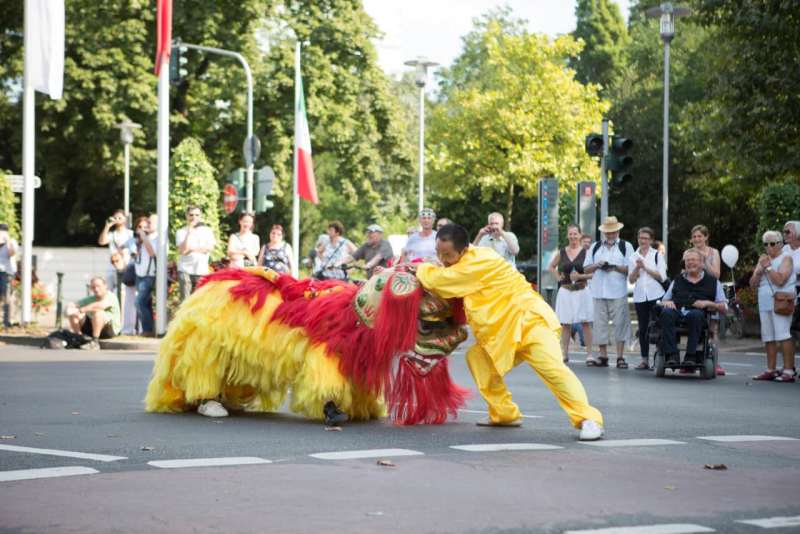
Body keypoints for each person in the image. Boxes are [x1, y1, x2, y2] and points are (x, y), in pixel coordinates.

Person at [415, 223, 605, 441]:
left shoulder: (475, 263)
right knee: (478, 359)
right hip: (504, 334)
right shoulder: (468, 260)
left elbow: (436, 280)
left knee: (554, 370)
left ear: (463, 249)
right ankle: (504, 413)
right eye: (438, 253)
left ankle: (589, 419)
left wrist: (419, 267)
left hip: (530, 322)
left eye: (446, 254)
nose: (442, 258)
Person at [659, 248, 727, 367]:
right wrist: (666, 303)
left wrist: (708, 303)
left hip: (699, 316)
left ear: (702, 263)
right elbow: (663, 300)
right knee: (666, 313)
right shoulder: (677, 280)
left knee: (695, 315)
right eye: (688, 260)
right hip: (678, 313)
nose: (690, 263)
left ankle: (691, 355)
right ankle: (671, 355)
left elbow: (724, 307)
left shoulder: (713, 282)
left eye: (694, 260)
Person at [583, 216, 634, 369]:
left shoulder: (626, 246)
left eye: (613, 232)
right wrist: (597, 265)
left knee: (620, 324)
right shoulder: (595, 246)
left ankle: (620, 356)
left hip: (617, 291)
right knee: (600, 325)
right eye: (608, 232)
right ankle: (603, 356)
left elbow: (630, 269)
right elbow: (586, 268)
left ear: (618, 231)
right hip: (598, 291)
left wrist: (614, 267)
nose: (611, 235)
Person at [750, 231, 796, 382]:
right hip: (764, 301)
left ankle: (788, 370)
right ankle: (771, 369)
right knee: (768, 336)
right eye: (765, 244)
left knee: (783, 334)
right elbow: (752, 284)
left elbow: (781, 280)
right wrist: (757, 273)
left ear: (780, 244)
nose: (768, 247)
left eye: (772, 243)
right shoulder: (763, 259)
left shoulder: (786, 258)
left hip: (781, 300)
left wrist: (768, 268)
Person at [547, 224, 593, 364]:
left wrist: (580, 277)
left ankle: (590, 354)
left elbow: (592, 273)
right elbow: (551, 266)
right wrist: (557, 276)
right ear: (567, 235)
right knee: (565, 324)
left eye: (575, 234)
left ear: (580, 235)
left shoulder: (586, 252)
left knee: (585, 323)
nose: (573, 236)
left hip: (582, 290)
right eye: (570, 234)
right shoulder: (562, 252)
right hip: (566, 290)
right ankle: (564, 354)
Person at [628, 227, 667, 370]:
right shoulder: (633, 256)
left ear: (651, 240)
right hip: (640, 297)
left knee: (659, 327)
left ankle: (660, 357)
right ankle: (644, 359)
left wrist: (645, 267)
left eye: (645, 238)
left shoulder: (657, 255)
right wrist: (637, 268)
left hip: (656, 295)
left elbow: (662, 276)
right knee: (643, 328)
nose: (642, 240)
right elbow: (631, 280)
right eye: (640, 238)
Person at [690, 224, 726, 375]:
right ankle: (691, 360)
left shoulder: (714, 252)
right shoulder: (689, 252)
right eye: (695, 236)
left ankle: (715, 362)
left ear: (706, 237)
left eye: (700, 236)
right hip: (694, 290)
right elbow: (685, 271)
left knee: (713, 329)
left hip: (710, 291)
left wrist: (704, 261)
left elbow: (716, 275)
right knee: (693, 325)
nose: (697, 239)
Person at [98, 210, 135, 334]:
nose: (117, 220)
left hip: (126, 268)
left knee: (125, 298)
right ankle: (108, 323)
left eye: (120, 217)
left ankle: (125, 326)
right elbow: (102, 241)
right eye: (115, 218)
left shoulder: (130, 234)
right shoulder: (112, 234)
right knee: (108, 295)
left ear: (125, 219)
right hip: (112, 267)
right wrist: (107, 226)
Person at [65, 276, 121, 350]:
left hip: (109, 331)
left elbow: (100, 305)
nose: (96, 289)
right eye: (93, 287)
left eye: (98, 286)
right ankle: (79, 339)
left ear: (105, 286)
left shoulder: (111, 296)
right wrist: (69, 308)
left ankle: (95, 342)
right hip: (92, 328)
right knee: (74, 314)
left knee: (98, 313)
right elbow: (74, 304)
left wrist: (82, 310)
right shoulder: (91, 299)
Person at [175, 206, 216, 301]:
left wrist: (192, 249)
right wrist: (188, 233)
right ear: (186, 216)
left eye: (197, 215)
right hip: (185, 270)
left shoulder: (207, 231)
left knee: (199, 301)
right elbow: (182, 251)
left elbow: (209, 248)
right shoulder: (181, 232)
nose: (194, 217)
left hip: (201, 270)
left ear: (201, 216)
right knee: (185, 301)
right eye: (191, 215)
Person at [131, 216, 157, 336]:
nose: (144, 228)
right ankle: (147, 329)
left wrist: (144, 237)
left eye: (147, 225)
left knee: (139, 302)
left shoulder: (155, 238)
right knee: (146, 303)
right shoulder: (139, 240)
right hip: (139, 274)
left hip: (149, 275)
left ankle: (147, 330)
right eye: (140, 227)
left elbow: (152, 253)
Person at [0, 224, 17, 327]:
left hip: (7, 273)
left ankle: (7, 321)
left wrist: (7, 241)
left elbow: (11, 253)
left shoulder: (11, 242)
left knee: (7, 296)